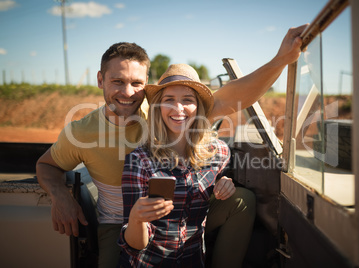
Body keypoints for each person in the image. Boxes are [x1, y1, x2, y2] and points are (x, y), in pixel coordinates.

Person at [36, 23, 308, 267]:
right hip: (121, 222)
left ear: (146, 86)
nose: (128, 92)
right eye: (117, 81)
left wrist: (282, 59)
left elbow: (237, 94)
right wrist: (61, 196)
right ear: (100, 80)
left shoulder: (165, 108)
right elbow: (46, 165)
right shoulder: (82, 132)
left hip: (179, 211)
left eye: (136, 83)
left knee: (242, 199)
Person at [118, 64, 234, 267]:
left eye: (187, 100)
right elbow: (136, 246)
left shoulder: (219, 153)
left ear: (198, 107)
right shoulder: (139, 160)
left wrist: (226, 182)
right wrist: (136, 219)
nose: (178, 108)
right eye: (168, 100)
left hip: (194, 260)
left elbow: (222, 175)